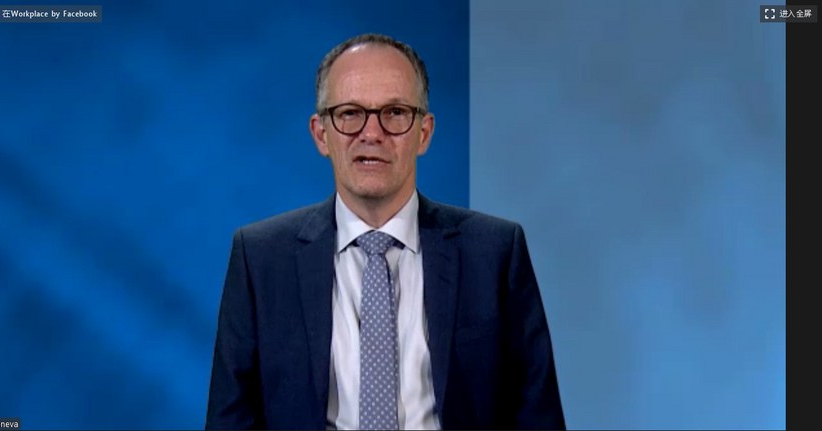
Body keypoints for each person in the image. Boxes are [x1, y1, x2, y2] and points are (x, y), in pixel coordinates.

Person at [205, 33, 565, 430]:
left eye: (394, 112)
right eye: (350, 113)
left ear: (424, 132)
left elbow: (538, 417)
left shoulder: (494, 253)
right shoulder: (260, 259)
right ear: (321, 134)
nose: (372, 133)